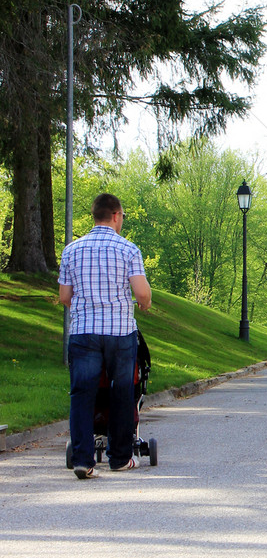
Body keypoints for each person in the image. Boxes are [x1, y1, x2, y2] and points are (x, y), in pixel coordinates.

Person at [58, 193, 152, 479]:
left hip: (83, 331)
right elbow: (142, 293)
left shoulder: (72, 250)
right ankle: (120, 458)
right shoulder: (128, 250)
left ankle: (83, 460)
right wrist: (144, 305)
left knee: (82, 394)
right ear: (115, 215)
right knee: (122, 393)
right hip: (119, 333)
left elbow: (64, 296)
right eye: (122, 216)